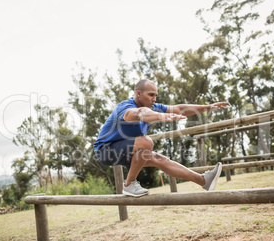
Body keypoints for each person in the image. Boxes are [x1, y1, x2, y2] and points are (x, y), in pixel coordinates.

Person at [94, 79, 230, 197]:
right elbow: (139, 113)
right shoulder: (125, 107)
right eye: (151, 95)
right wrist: (159, 116)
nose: (154, 99)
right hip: (105, 150)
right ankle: (129, 184)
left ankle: (204, 181)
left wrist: (207, 107)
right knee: (146, 142)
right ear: (138, 94)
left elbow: (178, 108)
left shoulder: (153, 107)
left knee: (161, 159)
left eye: (156, 95)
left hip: (128, 150)